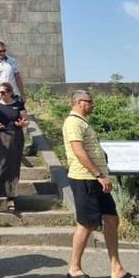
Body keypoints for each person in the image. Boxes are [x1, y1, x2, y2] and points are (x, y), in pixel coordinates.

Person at [62, 90, 137, 278]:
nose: (93, 105)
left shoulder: (83, 122)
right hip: (85, 178)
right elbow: (78, 151)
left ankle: (117, 269)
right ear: (79, 102)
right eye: (90, 102)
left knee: (111, 220)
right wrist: (98, 174)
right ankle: (74, 268)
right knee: (87, 223)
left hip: (97, 179)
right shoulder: (72, 122)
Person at [0, 81, 29, 212]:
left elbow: (26, 121)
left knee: (13, 165)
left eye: (3, 92)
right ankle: (0, 191)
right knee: (2, 164)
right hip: (2, 136)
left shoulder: (18, 104)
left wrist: (23, 124)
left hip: (16, 136)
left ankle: (11, 195)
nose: (0, 95)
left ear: (10, 92)